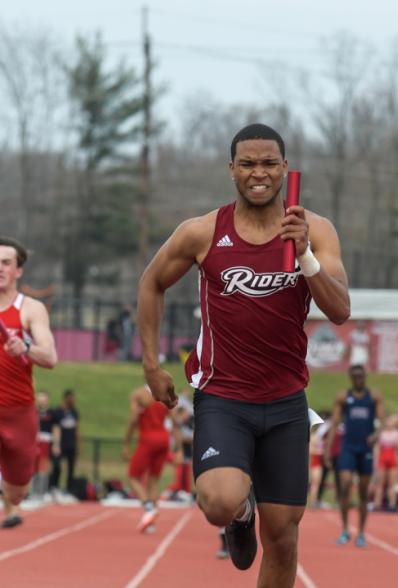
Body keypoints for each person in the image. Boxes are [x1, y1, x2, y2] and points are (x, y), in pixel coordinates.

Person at [137, 123, 350, 586]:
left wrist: (306, 255)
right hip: (224, 397)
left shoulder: (315, 229)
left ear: (285, 168)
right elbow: (151, 284)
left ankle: (254, 512)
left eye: (269, 163)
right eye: (248, 164)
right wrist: (152, 365)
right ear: (232, 169)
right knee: (218, 500)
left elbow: (339, 310)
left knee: (283, 538)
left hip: (287, 401)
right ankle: (238, 514)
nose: (259, 173)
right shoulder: (202, 232)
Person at [0, 236, 58, 528]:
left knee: (18, 492)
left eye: (6, 263)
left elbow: (50, 357)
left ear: (18, 270)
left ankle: (9, 493)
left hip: (18, 412)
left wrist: (26, 347)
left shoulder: (31, 309)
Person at [326, 364, 385, 548]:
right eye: (355, 377)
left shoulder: (373, 397)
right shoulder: (343, 397)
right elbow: (335, 423)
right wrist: (328, 450)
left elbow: (382, 421)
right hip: (348, 448)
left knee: (363, 493)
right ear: (351, 378)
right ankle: (344, 529)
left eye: (361, 376)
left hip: (365, 450)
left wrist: (376, 434)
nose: (358, 379)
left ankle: (360, 532)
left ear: (365, 377)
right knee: (344, 486)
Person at [123, 385, 182, 533]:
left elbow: (133, 419)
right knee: (154, 480)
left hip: (148, 438)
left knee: (133, 477)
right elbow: (175, 422)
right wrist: (179, 449)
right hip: (164, 439)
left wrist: (127, 444)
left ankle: (148, 508)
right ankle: (151, 523)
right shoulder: (164, 395)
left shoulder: (139, 394)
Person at [49, 389, 80, 495]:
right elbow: (55, 428)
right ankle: (53, 486)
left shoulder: (74, 412)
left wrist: (78, 444)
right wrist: (56, 444)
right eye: (71, 398)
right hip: (61, 444)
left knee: (71, 467)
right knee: (57, 466)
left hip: (71, 444)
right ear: (66, 398)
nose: (73, 400)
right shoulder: (57, 412)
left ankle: (69, 488)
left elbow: (77, 428)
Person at [31, 391, 61, 499]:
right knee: (33, 467)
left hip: (46, 441)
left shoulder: (52, 413)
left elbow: (56, 429)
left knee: (43, 467)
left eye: (43, 398)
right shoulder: (33, 412)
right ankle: (33, 492)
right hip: (34, 441)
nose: (41, 400)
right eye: (40, 398)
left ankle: (42, 492)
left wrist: (56, 444)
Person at [373, 413, 398, 511]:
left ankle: (392, 504)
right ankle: (377, 504)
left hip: (392, 458)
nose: (390, 424)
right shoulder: (381, 433)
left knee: (392, 484)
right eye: (388, 421)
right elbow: (377, 448)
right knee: (380, 483)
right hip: (383, 458)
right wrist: (376, 461)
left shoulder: (397, 433)